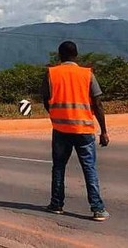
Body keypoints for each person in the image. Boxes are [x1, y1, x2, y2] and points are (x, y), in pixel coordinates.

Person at [42, 41, 110, 221]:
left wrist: (57, 115)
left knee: (58, 168)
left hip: (61, 129)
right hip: (84, 129)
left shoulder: (51, 74)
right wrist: (103, 131)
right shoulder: (87, 74)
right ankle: (97, 209)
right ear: (77, 55)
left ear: (59, 55)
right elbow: (98, 104)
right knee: (89, 169)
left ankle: (56, 204)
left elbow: (46, 100)